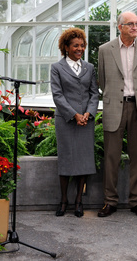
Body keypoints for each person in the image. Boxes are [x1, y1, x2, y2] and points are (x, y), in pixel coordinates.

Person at [97, 11, 137, 218]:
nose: (135, 27)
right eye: (130, 24)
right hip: (114, 106)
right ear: (120, 26)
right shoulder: (105, 50)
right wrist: (115, 97)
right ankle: (110, 201)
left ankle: (136, 202)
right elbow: (102, 80)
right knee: (111, 157)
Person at [50, 27, 99, 218]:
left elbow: (94, 93)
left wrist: (88, 113)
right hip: (66, 121)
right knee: (66, 160)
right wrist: (74, 115)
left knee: (84, 161)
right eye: (75, 46)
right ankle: (64, 201)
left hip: (86, 122)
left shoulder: (90, 68)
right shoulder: (57, 68)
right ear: (66, 47)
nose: (80, 49)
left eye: (82, 45)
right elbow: (57, 95)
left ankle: (79, 201)